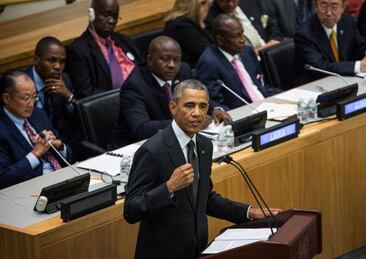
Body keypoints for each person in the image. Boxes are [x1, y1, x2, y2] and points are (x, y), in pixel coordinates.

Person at [124, 79, 281, 259]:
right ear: (173, 107)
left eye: (203, 106)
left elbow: (204, 199)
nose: (197, 113)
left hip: (196, 250)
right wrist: (169, 187)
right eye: (189, 106)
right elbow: (131, 210)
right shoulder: (152, 151)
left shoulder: (204, 145)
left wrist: (248, 212)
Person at [110, 36, 231, 149]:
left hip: (176, 142)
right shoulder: (134, 86)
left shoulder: (183, 70)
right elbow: (141, 129)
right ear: (150, 60)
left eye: (176, 60)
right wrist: (185, 121)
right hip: (137, 150)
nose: (172, 65)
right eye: (165, 59)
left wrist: (215, 110)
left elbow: (199, 97)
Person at [0, 71, 71, 189]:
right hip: (33, 189)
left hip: (64, 178)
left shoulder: (38, 114)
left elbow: (69, 154)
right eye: (26, 98)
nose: (31, 103)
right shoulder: (2, 130)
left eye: (35, 96)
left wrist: (58, 146)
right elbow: (3, 178)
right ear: (7, 98)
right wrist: (35, 154)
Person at [197, 14, 277, 110]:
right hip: (243, 114)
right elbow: (214, 103)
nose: (243, 39)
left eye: (242, 33)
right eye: (236, 36)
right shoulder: (209, 62)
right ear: (220, 40)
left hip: (267, 105)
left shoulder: (247, 51)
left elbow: (261, 84)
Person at [66, 0, 143, 98]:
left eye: (115, 16)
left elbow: (144, 69)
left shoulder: (124, 40)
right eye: (106, 15)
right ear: (91, 14)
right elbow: (86, 92)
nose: (111, 21)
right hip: (114, 105)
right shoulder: (78, 50)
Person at [294, 0, 366, 76]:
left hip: (344, 80)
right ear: (315, 6)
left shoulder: (347, 21)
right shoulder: (304, 34)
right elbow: (321, 67)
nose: (328, 12)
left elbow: (360, 45)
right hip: (316, 84)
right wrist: (359, 66)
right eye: (323, 5)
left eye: (334, 6)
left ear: (343, 7)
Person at [25, 37, 79, 153]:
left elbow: (78, 121)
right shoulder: (21, 83)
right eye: (51, 60)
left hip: (55, 142)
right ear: (36, 60)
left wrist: (69, 96)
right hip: (27, 143)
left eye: (62, 62)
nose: (58, 67)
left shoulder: (64, 79)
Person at [204, 0, 281, 53]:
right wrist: (260, 51)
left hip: (272, 48)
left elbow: (271, 24)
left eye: (233, 0)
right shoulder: (212, 20)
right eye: (224, 1)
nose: (230, 4)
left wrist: (274, 40)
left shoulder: (250, 2)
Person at [163, 0, 214, 68]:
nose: (207, 8)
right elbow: (208, 52)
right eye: (205, 4)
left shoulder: (193, 22)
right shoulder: (182, 26)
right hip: (192, 72)